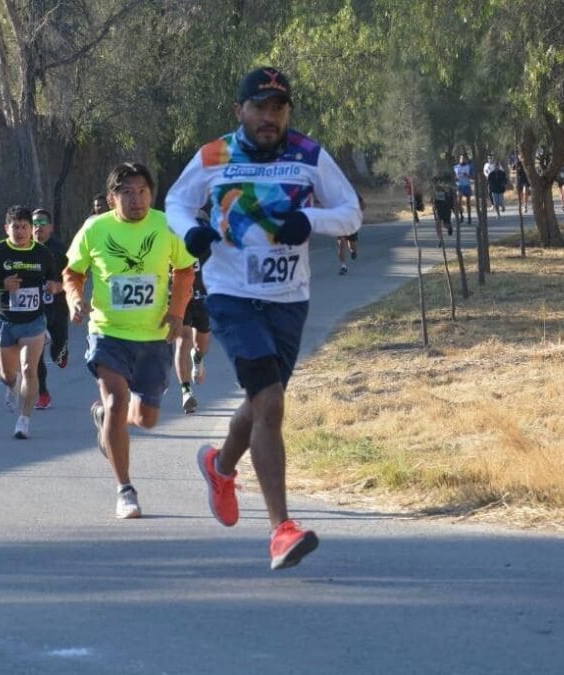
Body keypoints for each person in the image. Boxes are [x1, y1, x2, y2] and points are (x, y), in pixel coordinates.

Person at [165, 66, 361, 570]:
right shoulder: (214, 154)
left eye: (279, 108)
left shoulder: (309, 153)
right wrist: (191, 232)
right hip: (232, 295)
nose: (269, 118)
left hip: (288, 299)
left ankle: (220, 465)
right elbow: (176, 202)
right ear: (240, 111)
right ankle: (281, 530)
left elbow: (351, 211)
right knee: (270, 403)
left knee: (259, 405)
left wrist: (311, 219)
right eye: (259, 107)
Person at [63, 162, 195, 519]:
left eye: (142, 192)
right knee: (119, 401)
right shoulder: (95, 228)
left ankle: (106, 418)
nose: (136, 200)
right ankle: (125, 490)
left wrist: (178, 312)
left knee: (147, 419)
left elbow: (185, 269)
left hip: (154, 336)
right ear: (111, 199)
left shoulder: (166, 224)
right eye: (127, 193)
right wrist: (75, 300)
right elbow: (73, 272)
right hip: (108, 332)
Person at [0, 206, 61, 439]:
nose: (19, 231)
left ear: (31, 230)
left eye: (24, 227)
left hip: (34, 321)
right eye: (15, 227)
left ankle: (24, 421)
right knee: (7, 375)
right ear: (6, 229)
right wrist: (2, 284)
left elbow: (55, 279)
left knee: (30, 368)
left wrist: (54, 286)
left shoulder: (42, 253)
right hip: (5, 320)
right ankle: (12, 383)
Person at [32, 208, 70, 410]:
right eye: (35, 223)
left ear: (51, 227)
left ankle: (62, 352)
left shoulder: (60, 250)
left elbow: (76, 278)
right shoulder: (24, 249)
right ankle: (43, 393)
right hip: (34, 311)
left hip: (58, 307)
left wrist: (59, 286)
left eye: (43, 223)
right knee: (35, 352)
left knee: (57, 354)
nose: (39, 227)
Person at [175, 255, 211, 414]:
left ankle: (197, 357)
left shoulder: (205, 229)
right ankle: (186, 391)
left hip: (202, 293)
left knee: (201, 344)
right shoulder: (169, 231)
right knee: (183, 340)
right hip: (179, 294)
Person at [431, 172, 455, 242]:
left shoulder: (445, 188)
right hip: (439, 208)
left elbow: (451, 199)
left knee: (445, 224)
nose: (434, 185)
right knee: (438, 224)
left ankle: (449, 227)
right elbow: (433, 199)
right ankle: (440, 240)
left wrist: (452, 207)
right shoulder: (433, 190)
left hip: (446, 208)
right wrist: (434, 205)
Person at [453, 153, 473, 224]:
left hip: (467, 185)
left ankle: (469, 217)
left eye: (464, 158)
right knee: (459, 202)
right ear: (459, 159)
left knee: (468, 203)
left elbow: (472, 177)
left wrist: (467, 175)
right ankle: (461, 215)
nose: (462, 159)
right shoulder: (455, 167)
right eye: (461, 158)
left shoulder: (469, 166)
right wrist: (455, 178)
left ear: (466, 159)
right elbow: (454, 177)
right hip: (459, 185)